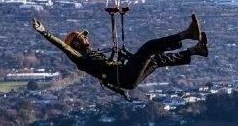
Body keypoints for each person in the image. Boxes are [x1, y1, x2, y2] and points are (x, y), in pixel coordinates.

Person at [32, 14, 208, 98]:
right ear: (75, 44)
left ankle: (195, 50)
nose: (86, 38)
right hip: (124, 76)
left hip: (125, 78)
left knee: (156, 59)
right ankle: (186, 34)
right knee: (148, 48)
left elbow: (106, 80)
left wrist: (122, 92)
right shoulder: (80, 58)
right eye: (82, 37)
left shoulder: (93, 55)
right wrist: (44, 32)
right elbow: (62, 46)